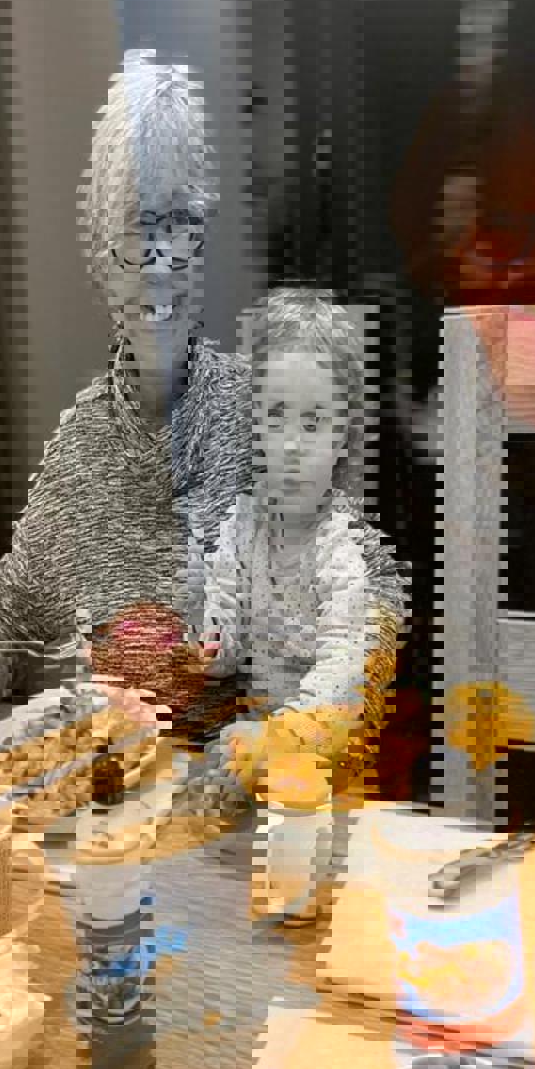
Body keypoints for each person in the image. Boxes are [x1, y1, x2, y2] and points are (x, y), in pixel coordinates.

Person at [0, 51, 250, 734]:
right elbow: (14, 614)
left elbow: (354, 610)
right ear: (104, 257)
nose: (160, 263)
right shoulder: (81, 446)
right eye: (138, 229)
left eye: (180, 225)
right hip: (102, 773)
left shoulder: (266, 423)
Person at [198, 286, 407, 834]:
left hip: (327, 757)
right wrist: (205, 646)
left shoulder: (344, 547)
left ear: (342, 437)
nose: (291, 444)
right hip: (252, 743)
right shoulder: (242, 526)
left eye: (313, 423)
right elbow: (224, 638)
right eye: (276, 417)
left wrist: (280, 738)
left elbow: (343, 671)